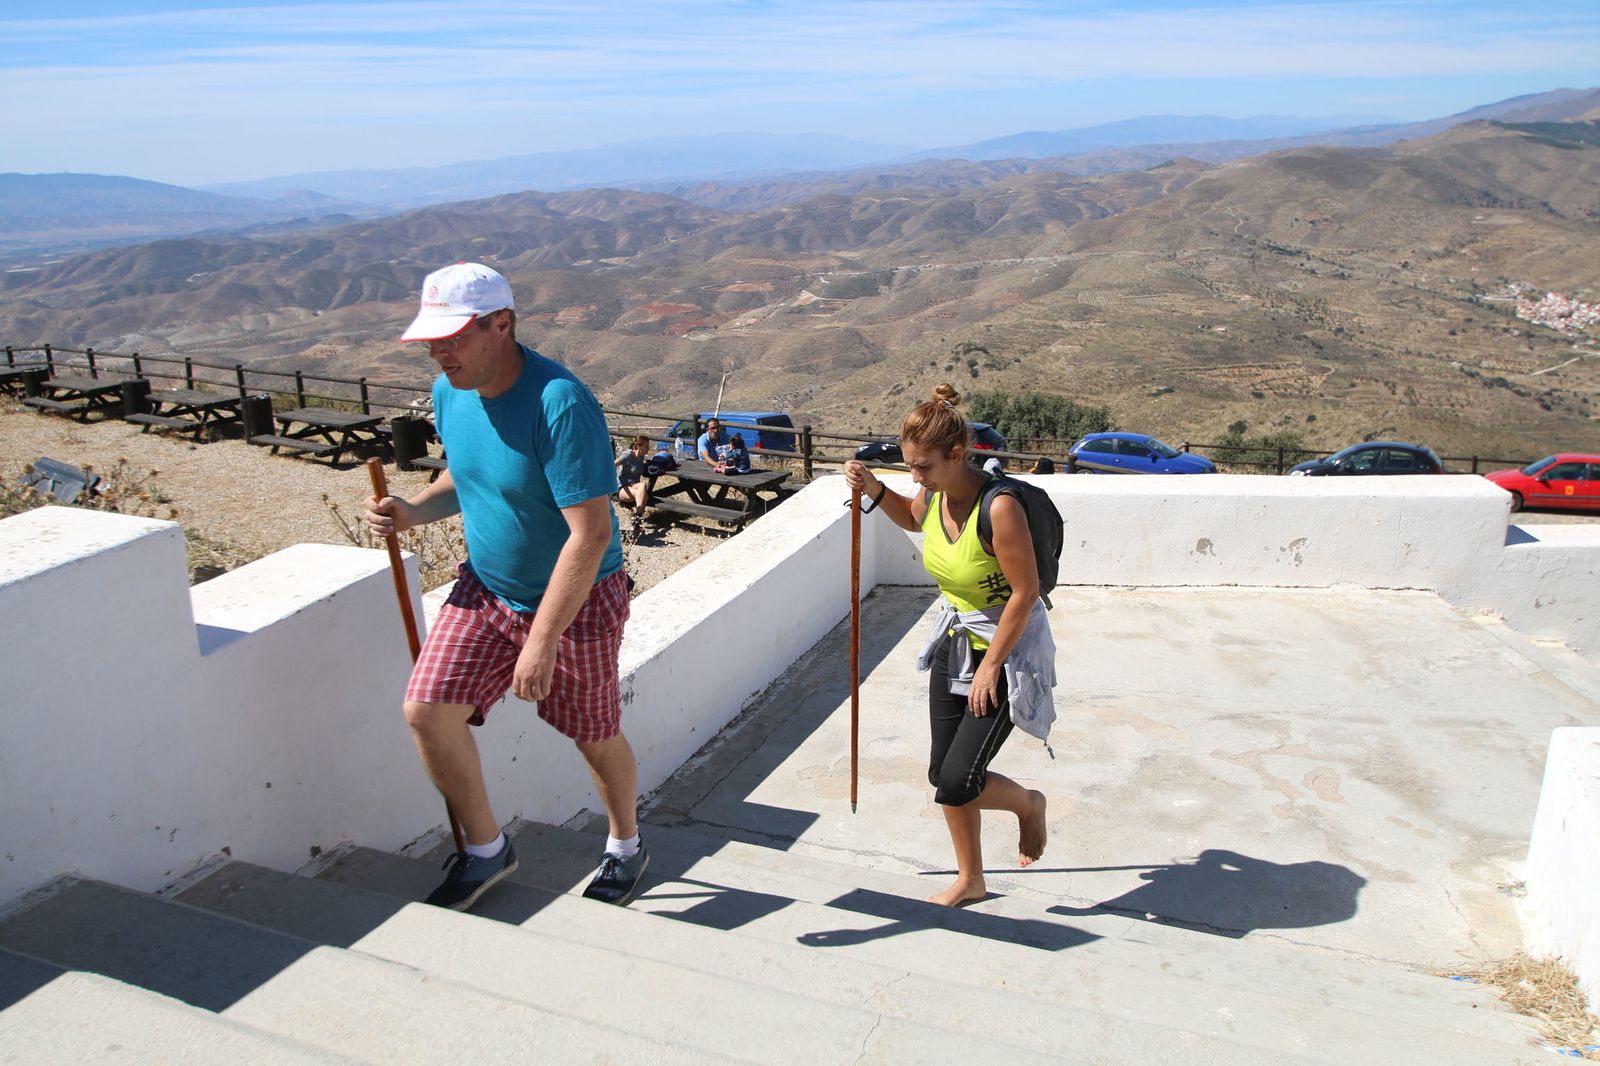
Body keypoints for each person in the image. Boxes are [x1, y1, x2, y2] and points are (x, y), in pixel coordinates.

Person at [365, 262, 648, 912]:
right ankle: (487, 849)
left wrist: (541, 640)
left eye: (454, 338)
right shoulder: (450, 391)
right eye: (432, 341)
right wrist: (412, 511)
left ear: (502, 324)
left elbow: (590, 535)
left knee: (593, 733)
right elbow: (469, 477)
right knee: (427, 710)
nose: (440, 354)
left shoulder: (560, 404)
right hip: (487, 589)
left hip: (577, 603)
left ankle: (625, 844)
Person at [844, 383, 1054, 908]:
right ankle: (971, 879)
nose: (916, 477)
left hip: (1006, 652)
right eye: (910, 467)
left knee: (960, 780)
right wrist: (873, 487)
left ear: (957, 454)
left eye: (923, 467)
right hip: (957, 640)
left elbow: (1025, 592)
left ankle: (1028, 804)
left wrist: (991, 667)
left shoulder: (999, 508)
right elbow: (913, 518)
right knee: (943, 775)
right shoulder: (933, 495)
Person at [616, 435, 651, 532]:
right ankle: (637, 520)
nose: (648, 449)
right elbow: (613, 465)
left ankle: (637, 517)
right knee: (644, 496)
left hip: (634, 484)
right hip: (623, 487)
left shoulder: (641, 457)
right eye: (646, 446)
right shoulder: (627, 455)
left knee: (643, 486)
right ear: (639, 446)